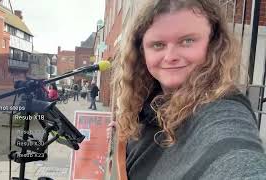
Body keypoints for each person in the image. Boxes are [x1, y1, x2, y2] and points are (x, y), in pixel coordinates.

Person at [107, 0, 266, 180]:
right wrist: (127, 136)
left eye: (187, 41)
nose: (171, 56)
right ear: (142, 51)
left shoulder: (222, 109)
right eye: (158, 44)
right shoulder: (146, 106)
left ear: (213, 43)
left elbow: (236, 157)